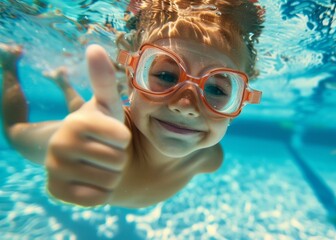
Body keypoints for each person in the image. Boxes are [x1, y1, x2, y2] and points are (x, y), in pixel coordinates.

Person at [1, 0, 264, 208]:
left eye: (217, 89)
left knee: (79, 110)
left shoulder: (210, 158)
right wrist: (66, 141)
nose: (185, 105)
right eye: (165, 76)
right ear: (130, 80)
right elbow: (29, 133)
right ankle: (8, 63)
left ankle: (63, 82)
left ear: (239, 103)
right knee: (18, 131)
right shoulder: (109, 137)